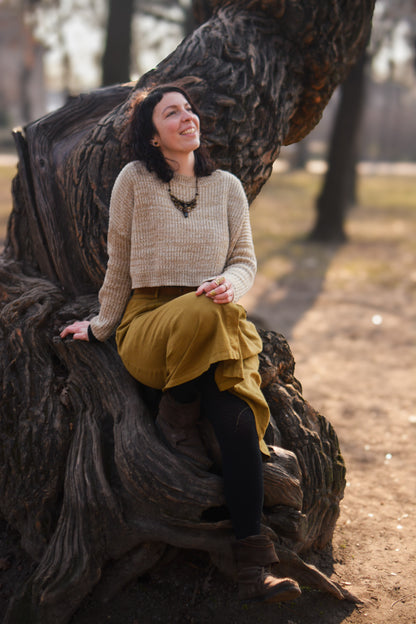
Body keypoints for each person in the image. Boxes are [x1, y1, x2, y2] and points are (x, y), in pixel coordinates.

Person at [60, 84, 300, 604]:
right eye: (172, 112)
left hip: (214, 322)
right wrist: (102, 323)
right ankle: (178, 408)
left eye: (190, 108)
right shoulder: (134, 181)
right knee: (205, 310)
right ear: (153, 132)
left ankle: (253, 569)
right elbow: (118, 264)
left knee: (238, 428)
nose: (187, 116)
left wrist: (232, 284)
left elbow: (243, 260)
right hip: (149, 327)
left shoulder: (228, 187)